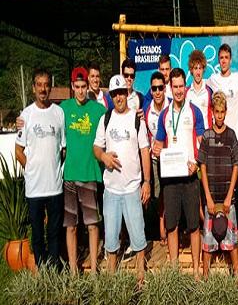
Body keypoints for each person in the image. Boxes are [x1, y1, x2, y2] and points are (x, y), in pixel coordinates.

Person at [93, 74, 151, 286]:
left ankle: (140, 277)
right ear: (111, 96)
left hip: (132, 187)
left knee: (138, 234)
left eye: (121, 93)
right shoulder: (105, 119)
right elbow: (96, 147)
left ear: (127, 94)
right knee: (111, 237)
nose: (118, 97)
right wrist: (104, 156)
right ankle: (111, 280)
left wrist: (146, 182)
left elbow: (144, 151)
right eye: (115, 94)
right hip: (112, 189)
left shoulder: (136, 120)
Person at [153, 68, 205, 279]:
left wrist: (198, 164)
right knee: (172, 225)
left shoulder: (195, 112)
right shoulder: (165, 115)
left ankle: (195, 271)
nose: (178, 91)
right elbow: (157, 144)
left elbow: (203, 146)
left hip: (190, 177)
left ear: (186, 86)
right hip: (170, 180)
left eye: (181, 86)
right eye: (174, 87)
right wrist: (156, 149)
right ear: (169, 88)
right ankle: (174, 270)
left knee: (194, 225)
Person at [15, 68, 65, 269]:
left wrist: (54, 168)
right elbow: (19, 151)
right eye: (39, 85)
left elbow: (63, 148)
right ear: (33, 87)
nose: (43, 89)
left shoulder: (58, 113)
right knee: (37, 234)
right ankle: (40, 273)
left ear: (50, 86)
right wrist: (32, 168)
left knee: (54, 233)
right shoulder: (25, 115)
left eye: (46, 84)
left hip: (55, 186)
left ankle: (53, 274)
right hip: (34, 188)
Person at [60, 67, 107, 275]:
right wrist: (21, 122)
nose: (80, 91)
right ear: (72, 87)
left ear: (88, 86)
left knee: (92, 225)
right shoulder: (63, 108)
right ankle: (72, 270)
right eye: (77, 87)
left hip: (90, 174)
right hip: (70, 174)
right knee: (70, 226)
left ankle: (94, 269)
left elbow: (115, 123)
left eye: (83, 87)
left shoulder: (98, 110)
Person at [198, 91, 238, 278]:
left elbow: (236, 166)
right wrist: (207, 197)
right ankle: (205, 276)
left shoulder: (231, 135)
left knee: (231, 239)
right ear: (212, 112)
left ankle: (237, 274)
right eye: (217, 112)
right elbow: (203, 166)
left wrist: (229, 195)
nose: (220, 116)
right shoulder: (206, 136)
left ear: (226, 112)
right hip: (211, 198)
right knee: (208, 241)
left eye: (222, 112)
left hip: (227, 199)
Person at [143, 72, 169, 245]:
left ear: (165, 88)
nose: (158, 91)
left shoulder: (172, 107)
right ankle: (161, 225)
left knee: (171, 193)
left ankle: (169, 227)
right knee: (159, 194)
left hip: (170, 158)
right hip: (154, 160)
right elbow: (144, 136)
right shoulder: (146, 111)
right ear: (151, 91)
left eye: (160, 87)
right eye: (155, 88)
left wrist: (165, 147)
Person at [207, 44, 238, 145]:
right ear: (218, 60)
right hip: (218, 137)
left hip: (235, 137)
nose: (224, 61)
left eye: (226, 57)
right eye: (221, 58)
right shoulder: (212, 79)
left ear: (231, 60)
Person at [186, 50, 213, 129]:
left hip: (206, 136)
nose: (198, 72)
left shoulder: (209, 91)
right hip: (191, 136)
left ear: (203, 69)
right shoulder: (186, 92)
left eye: (200, 68)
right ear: (191, 70)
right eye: (195, 68)